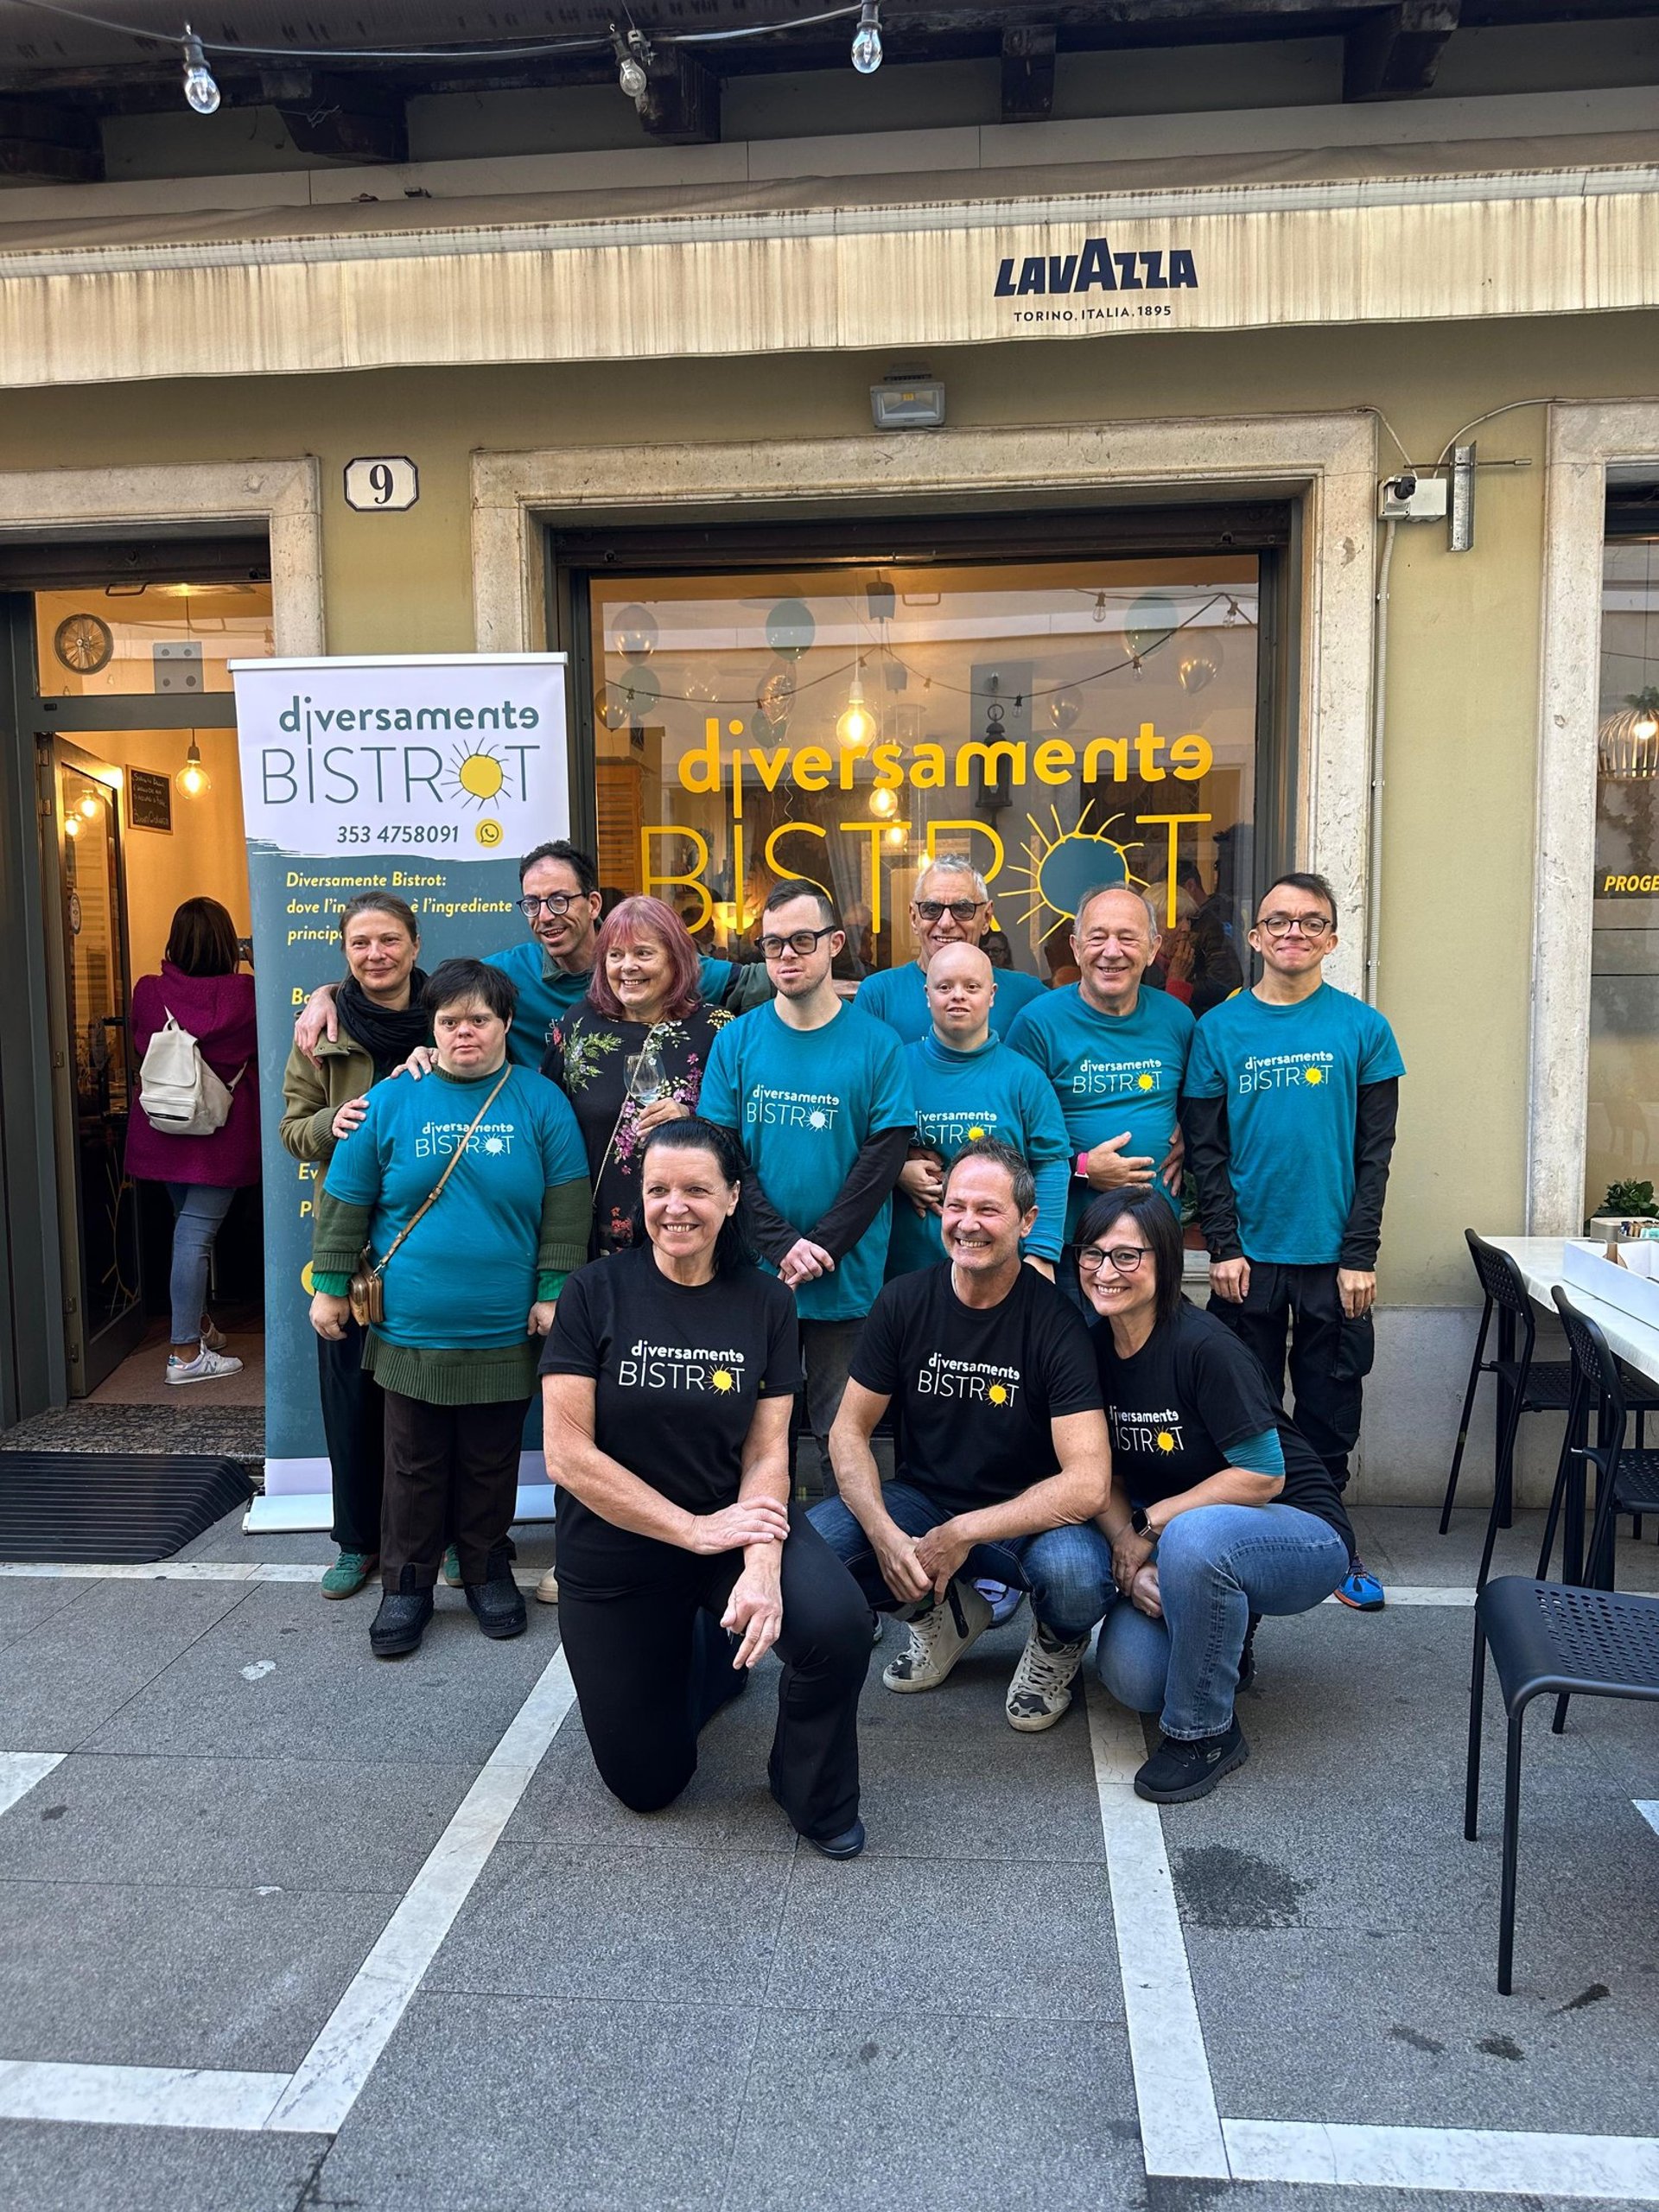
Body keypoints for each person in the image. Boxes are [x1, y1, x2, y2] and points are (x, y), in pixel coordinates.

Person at [540, 1118, 874, 1856]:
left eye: (696, 1189)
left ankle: (808, 1787)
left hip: (731, 1526)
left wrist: (760, 1566)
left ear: (731, 1198)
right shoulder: (594, 1292)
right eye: (658, 1189)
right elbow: (568, 1458)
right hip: (617, 1547)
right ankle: (711, 1667)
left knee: (838, 1625)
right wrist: (691, 1530)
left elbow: (765, 1453)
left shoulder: (765, 1302)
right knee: (649, 1784)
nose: (675, 1206)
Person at [308, 957, 590, 1658]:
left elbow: (566, 1206)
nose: (466, 1032)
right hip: (411, 1326)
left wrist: (554, 1291)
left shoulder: (539, 1103)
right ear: (431, 1030)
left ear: (503, 1027)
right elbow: (347, 1199)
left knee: (492, 1461)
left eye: (480, 1020)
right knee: (412, 1464)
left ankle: (489, 1572)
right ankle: (406, 1588)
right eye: (450, 1021)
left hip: (502, 1325)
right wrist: (330, 1286)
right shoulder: (394, 1101)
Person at [815, 1139, 1115, 1732]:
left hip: (1024, 1519)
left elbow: (1088, 1483)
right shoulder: (904, 1302)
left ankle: (1055, 1647)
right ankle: (944, 1618)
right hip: (924, 1501)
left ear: (1028, 1221)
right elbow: (848, 1431)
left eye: (988, 1210)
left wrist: (963, 1533)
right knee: (820, 1545)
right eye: (956, 1206)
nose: (967, 1224)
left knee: (1079, 1578)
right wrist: (882, 1532)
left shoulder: (1056, 1322)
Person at [1078, 1185, 1353, 1802]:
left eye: (1127, 1256)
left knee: (1196, 1539)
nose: (1106, 1271)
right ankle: (1228, 1633)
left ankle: (1205, 1734)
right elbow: (1103, 1475)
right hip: (1184, 1539)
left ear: (1167, 1260)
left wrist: (1150, 1529)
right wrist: (1129, 1555)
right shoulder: (1094, 1350)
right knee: (1132, 1678)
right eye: (1093, 1254)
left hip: (1300, 1532)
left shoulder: (1204, 1347)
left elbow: (1264, 1476)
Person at [1184, 871, 1404, 1611]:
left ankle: (1329, 1542)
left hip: (1333, 1264)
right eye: (1278, 921)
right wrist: (1222, 1246)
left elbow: (1376, 1154)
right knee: (1247, 1407)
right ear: (1255, 937)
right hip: (1248, 1259)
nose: (1293, 934)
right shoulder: (1219, 1029)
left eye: (1310, 923)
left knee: (1330, 1407)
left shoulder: (1364, 1029)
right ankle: (1250, 1535)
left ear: (1331, 939)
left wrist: (1360, 1255)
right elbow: (1207, 1152)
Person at [699, 884, 913, 1495]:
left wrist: (820, 1247)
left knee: (843, 1436)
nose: (786, 956)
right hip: (751, 1277)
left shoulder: (877, 1044)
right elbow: (724, 1153)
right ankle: (763, 1566)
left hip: (844, 1283)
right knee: (757, 1434)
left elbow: (883, 1157)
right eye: (772, 944)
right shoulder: (737, 1040)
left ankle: (848, 1574)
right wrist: (779, 1245)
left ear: (834, 944)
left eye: (801, 940)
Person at [890, 941, 1073, 1627]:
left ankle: (993, 1556)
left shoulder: (1021, 1078)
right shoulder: (899, 1066)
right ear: (926, 996)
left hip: (1003, 1280)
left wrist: (1044, 1250)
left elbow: (1052, 1161)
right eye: (944, 986)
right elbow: (873, 1144)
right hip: (916, 1275)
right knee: (923, 1421)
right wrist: (900, 1170)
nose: (957, 997)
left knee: (996, 1421)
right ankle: (923, 1569)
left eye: (972, 985)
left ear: (993, 996)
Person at [292, 840, 767, 1071]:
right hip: (551, 1148)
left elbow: (756, 985)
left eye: (559, 900)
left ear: (593, 903)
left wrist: (832, 988)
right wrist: (329, 993)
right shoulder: (507, 973)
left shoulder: (645, 968)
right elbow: (427, 992)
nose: (546, 916)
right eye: (533, 904)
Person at [279, 893, 430, 1600]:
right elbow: (290, 1128)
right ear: (344, 952)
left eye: (389, 940)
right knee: (350, 1397)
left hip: (434, 1233)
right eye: (361, 943)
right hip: (349, 1237)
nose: (376, 955)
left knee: (442, 1400)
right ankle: (356, 1542)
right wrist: (329, 1124)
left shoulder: (451, 1013)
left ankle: (450, 1538)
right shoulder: (322, 1029)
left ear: (414, 944)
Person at [1005, 883, 1192, 1287]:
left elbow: (1203, 1105)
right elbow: (1009, 1144)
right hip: (1069, 1244)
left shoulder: (1178, 1020)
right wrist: (1085, 1169)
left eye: (1127, 938)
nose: (1112, 951)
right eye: (1097, 937)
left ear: (1154, 948)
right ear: (1075, 947)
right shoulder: (1037, 1024)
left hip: (1155, 1241)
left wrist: (1188, 1134)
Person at [543, 894, 732, 1257]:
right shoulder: (577, 1025)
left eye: (643, 953)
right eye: (616, 955)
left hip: (691, 1239)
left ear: (676, 959)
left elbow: (744, 1138)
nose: (627, 966)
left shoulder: (718, 1030)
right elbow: (545, 1122)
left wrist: (694, 1121)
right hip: (594, 1244)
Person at [126, 897, 258, 1386]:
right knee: (196, 1235)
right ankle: (184, 1352)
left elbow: (143, 1043)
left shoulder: (149, 990)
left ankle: (198, 1327)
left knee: (187, 1229)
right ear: (229, 943)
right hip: (218, 1136)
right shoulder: (246, 994)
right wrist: (257, 955)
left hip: (163, 1128)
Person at [854, 855, 1045, 1042]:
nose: (946, 923)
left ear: (986, 918)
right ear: (914, 918)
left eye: (962, 909)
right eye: (931, 909)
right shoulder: (879, 996)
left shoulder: (1026, 996)